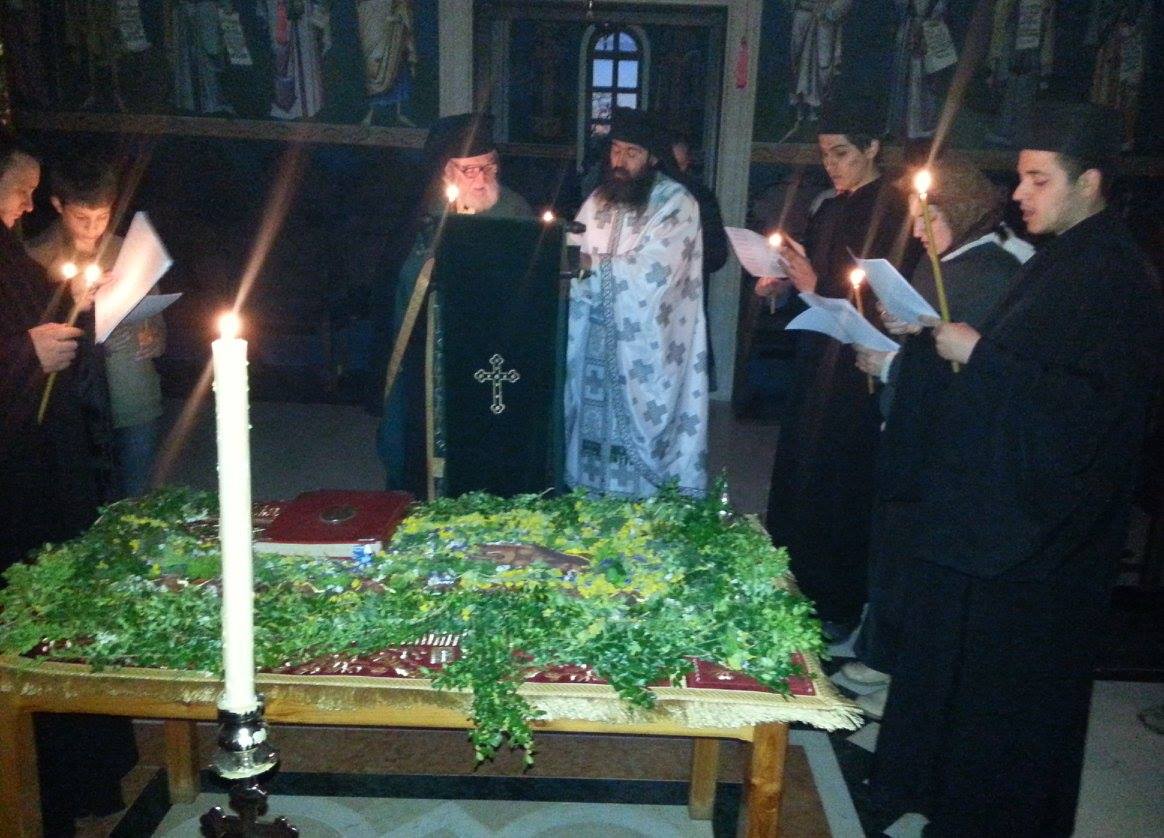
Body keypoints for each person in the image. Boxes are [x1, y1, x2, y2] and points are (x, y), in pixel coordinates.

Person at [870, 102, 1163, 835]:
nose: (1020, 194)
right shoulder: (1063, 257)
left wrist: (980, 354)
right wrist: (933, 336)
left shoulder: (1117, 276)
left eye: (1039, 180)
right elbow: (1018, 360)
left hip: (1043, 537)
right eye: (1021, 177)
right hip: (994, 510)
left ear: (1089, 182)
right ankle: (936, 792)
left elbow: (1095, 409)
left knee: (1007, 695)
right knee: (958, 670)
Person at [842, 152, 1035, 719]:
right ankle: (884, 653)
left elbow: (963, 374)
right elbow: (934, 341)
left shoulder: (990, 271)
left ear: (963, 210)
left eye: (930, 218)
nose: (919, 231)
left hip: (944, 447)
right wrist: (908, 327)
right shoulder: (951, 262)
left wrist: (891, 365)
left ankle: (905, 672)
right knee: (894, 549)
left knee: (916, 560)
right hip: (915, 433)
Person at [0, 132, 137, 837]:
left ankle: (86, 769)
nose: (27, 205)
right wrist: (24, 355)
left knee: (68, 599)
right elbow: (19, 347)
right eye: (19, 191)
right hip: (15, 487)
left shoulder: (9, 254)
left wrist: (74, 312)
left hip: (48, 467)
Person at [753, 97, 917, 642]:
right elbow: (815, 279)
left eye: (842, 153)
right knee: (801, 474)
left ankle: (836, 603)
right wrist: (781, 284)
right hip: (817, 361)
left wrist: (814, 284)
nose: (831, 164)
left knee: (840, 485)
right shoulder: (828, 209)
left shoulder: (895, 212)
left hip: (858, 370)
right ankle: (793, 585)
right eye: (825, 154)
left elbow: (891, 300)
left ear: (872, 148)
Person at [376, 112, 532, 495]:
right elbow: (406, 280)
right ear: (448, 172)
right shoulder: (427, 213)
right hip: (437, 348)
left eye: (488, 167)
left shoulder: (515, 210)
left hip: (497, 347)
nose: (481, 179)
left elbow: (531, 277)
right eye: (469, 170)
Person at [565, 107, 708, 498]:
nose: (620, 161)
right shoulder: (598, 199)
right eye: (615, 149)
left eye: (632, 153)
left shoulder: (676, 203)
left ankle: (645, 510)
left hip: (644, 350)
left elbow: (657, 273)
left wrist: (592, 267)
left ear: (653, 157)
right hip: (595, 340)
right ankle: (588, 500)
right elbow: (573, 250)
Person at [27, 151, 167, 497]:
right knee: (81, 498)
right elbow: (29, 339)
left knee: (136, 499)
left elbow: (158, 327)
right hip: (74, 409)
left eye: (102, 217)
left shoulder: (128, 252)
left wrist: (152, 336)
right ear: (58, 205)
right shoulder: (34, 259)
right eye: (82, 217)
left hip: (133, 400)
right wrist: (67, 300)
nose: (93, 229)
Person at [666, 135, 728, 390]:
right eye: (671, 166)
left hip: (686, 300)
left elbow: (717, 255)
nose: (677, 175)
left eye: (682, 166)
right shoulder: (646, 195)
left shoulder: (701, 197)